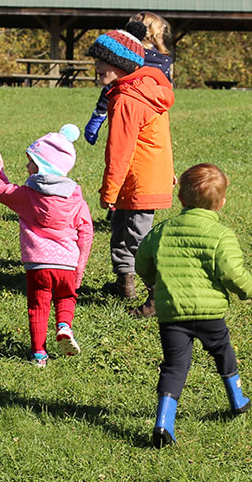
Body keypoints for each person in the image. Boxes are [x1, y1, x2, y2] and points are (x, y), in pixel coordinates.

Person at [136, 163, 252, 448]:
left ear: (180, 199)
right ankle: (237, 399)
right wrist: (250, 291)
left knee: (174, 366)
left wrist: (152, 280)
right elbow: (231, 271)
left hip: (171, 314)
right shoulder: (221, 235)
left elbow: (142, 260)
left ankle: (164, 422)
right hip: (209, 314)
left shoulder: (162, 231)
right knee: (222, 352)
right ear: (222, 203)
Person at [0, 124, 94, 367]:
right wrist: (79, 269)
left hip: (38, 265)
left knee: (38, 306)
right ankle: (64, 325)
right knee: (66, 296)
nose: (26, 166)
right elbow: (86, 234)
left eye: (30, 161)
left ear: (43, 166)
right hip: (67, 264)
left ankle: (39, 354)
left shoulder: (27, 195)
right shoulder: (76, 199)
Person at [84, 27, 175, 304]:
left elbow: (119, 152)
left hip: (139, 182)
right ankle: (125, 283)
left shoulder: (127, 100)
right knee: (122, 232)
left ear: (120, 64)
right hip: (140, 178)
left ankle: (157, 297)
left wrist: (108, 192)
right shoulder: (140, 90)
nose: (96, 66)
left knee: (138, 241)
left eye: (101, 60)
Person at [82, 12, 174, 146]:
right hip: (154, 120)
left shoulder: (129, 56)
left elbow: (114, 85)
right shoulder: (162, 61)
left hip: (128, 110)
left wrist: (99, 114)